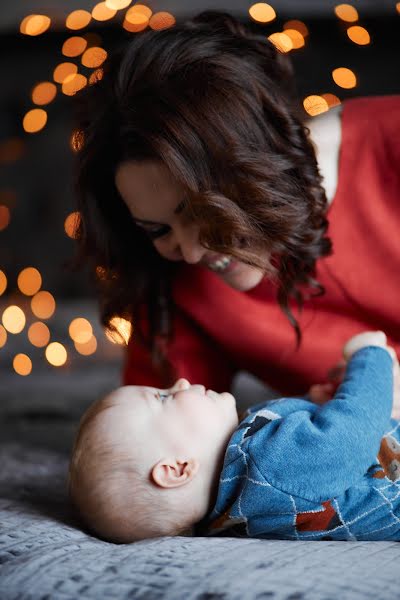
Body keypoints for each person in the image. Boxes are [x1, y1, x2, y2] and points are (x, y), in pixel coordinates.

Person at [72, 9, 400, 399]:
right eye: (157, 229)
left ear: (252, 165)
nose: (192, 253)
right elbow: (158, 441)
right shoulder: (172, 282)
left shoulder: (389, 142)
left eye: (200, 212)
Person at [68, 331, 400, 543]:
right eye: (164, 398)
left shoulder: (236, 504)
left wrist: (316, 407)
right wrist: (371, 359)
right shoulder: (266, 464)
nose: (180, 383)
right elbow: (347, 440)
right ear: (177, 469)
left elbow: (317, 456)